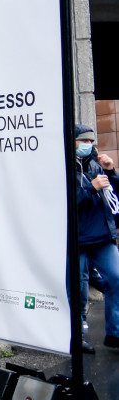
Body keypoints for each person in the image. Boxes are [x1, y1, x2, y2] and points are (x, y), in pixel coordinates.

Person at [73, 125, 119, 353]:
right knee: (78, 292)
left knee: (117, 279)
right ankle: (76, 337)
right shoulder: (62, 166)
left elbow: (113, 194)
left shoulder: (95, 164)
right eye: (83, 141)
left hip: (101, 236)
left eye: (90, 141)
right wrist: (90, 187)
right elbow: (63, 200)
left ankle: (116, 333)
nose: (87, 145)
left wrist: (111, 172)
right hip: (78, 239)